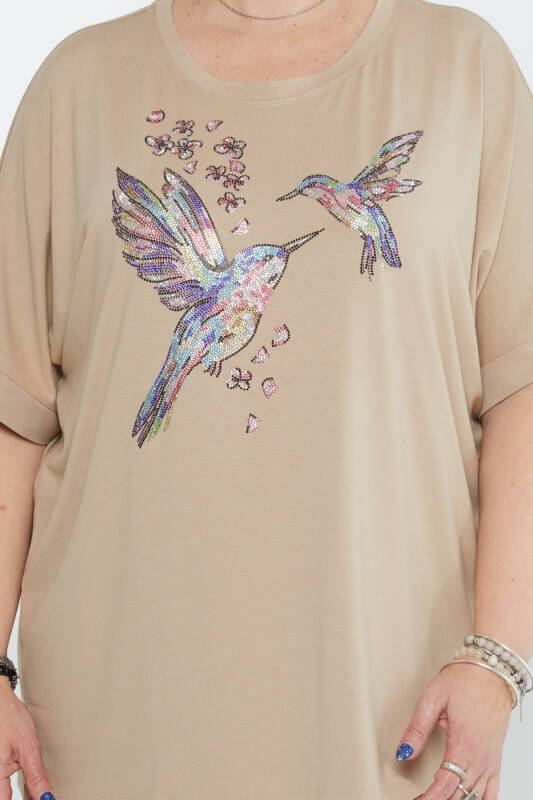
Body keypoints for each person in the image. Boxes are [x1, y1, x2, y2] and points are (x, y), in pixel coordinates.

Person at [0, 0, 532, 798]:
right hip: (114, 714)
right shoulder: (78, 82)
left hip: (391, 712)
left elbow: (521, 389)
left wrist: (496, 662)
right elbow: (13, 414)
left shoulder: (465, 66)